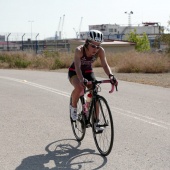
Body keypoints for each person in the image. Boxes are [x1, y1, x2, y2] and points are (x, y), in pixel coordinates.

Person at [68, 30, 118, 130]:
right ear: (87, 43)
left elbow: (104, 64)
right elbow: (77, 67)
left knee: (94, 91)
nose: (96, 49)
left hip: (88, 71)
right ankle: (73, 108)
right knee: (79, 87)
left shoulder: (100, 51)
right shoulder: (79, 50)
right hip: (75, 72)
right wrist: (81, 79)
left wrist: (111, 76)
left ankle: (95, 122)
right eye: (93, 46)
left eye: (98, 46)